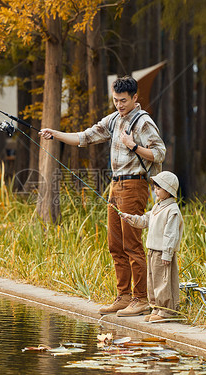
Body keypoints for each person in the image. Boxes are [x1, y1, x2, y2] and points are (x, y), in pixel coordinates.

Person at [39, 76, 166, 316]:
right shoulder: (114, 120)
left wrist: (133, 146)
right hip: (115, 186)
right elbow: (85, 137)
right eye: (116, 100)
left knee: (132, 244)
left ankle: (140, 299)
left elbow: (160, 154)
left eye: (123, 100)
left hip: (134, 186)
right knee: (115, 245)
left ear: (135, 98)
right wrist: (55, 134)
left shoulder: (143, 122)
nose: (119, 105)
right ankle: (123, 296)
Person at [120, 171, 184, 322]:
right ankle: (156, 308)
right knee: (153, 281)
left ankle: (166, 311)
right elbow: (145, 220)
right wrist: (131, 219)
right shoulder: (157, 207)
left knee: (163, 281)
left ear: (168, 190)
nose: (155, 190)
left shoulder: (172, 210)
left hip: (163, 252)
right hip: (152, 250)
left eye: (159, 188)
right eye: (155, 187)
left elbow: (171, 235)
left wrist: (167, 254)